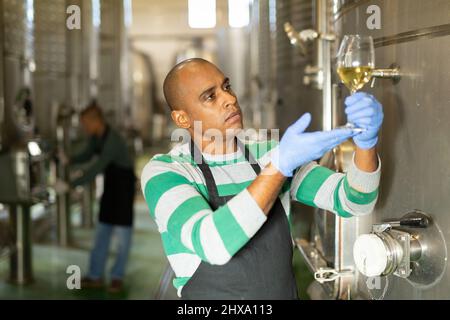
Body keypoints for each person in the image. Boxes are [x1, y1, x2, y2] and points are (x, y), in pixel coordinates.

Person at [140, 58, 383, 299]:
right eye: (210, 96)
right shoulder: (167, 171)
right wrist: (278, 168)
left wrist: (366, 144)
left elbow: (354, 201)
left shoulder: (268, 153)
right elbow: (212, 243)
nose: (230, 99)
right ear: (182, 119)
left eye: (226, 87)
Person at [58, 102, 136, 293]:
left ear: (95, 121)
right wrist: (69, 159)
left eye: (85, 123)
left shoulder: (113, 141)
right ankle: (95, 275)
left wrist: (70, 185)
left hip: (124, 188)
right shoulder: (96, 137)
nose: (84, 127)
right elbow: (86, 154)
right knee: (102, 231)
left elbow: (96, 168)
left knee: (123, 237)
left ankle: (117, 277)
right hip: (111, 187)